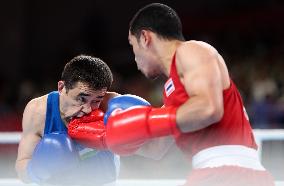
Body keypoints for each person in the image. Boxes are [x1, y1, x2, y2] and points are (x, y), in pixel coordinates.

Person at [69, 3, 276, 186]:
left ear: (145, 37)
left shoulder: (192, 51)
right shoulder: (175, 95)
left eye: (133, 47)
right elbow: (157, 149)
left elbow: (209, 108)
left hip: (230, 173)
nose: (135, 59)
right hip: (217, 174)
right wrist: (107, 136)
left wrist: (145, 121)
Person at [15, 55, 120, 186]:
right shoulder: (38, 111)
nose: (88, 109)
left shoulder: (111, 106)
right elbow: (22, 169)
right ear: (61, 88)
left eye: (96, 101)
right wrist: (37, 170)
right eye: (81, 99)